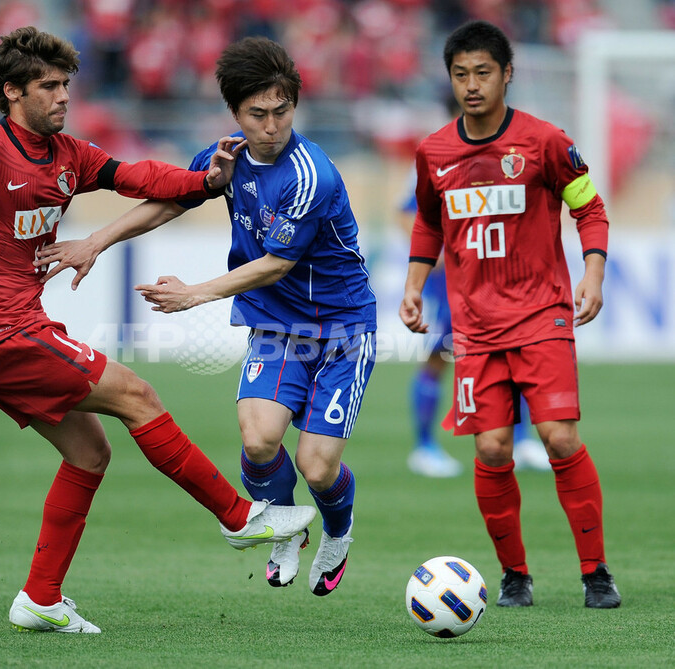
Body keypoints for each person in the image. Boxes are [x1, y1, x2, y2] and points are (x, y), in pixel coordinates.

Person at [0, 26, 315, 634]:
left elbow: (139, 177)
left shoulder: (68, 155)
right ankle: (239, 517)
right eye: (48, 86)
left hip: (9, 334)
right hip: (0, 334)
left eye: (66, 84)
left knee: (90, 453)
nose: (63, 95)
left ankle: (40, 598)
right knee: (138, 395)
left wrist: (207, 182)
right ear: (12, 92)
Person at [36, 36, 377, 597]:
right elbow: (173, 199)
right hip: (276, 325)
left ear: (295, 105)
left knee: (317, 468)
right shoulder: (227, 157)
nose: (272, 126)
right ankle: (284, 528)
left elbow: (276, 263)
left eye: (282, 111)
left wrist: (195, 294)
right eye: (258, 114)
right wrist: (96, 240)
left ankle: (337, 534)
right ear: (235, 113)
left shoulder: (310, 175)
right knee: (259, 441)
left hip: (342, 328)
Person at [399, 20, 621, 608]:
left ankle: (596, 572)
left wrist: (593, 273)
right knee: (493, 449)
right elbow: (427, 222)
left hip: (542, 314)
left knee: (559, 438)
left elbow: (590, 208)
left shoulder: (545, 142)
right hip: (474, 326)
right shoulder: (434, 152)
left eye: (483, 73)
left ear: (507, 75)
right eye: (460, 74)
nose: (471, 85)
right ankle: (514, 576)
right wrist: (414, 286)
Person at [399, 171, 550, 477]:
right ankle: (424, 447)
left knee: (513, 353)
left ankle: (520, 440)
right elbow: (406, 212)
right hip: (452, 281)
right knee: (440, 357)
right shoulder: (436, 161)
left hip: (496, 276)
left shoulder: (502, 160)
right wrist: (431, 252)